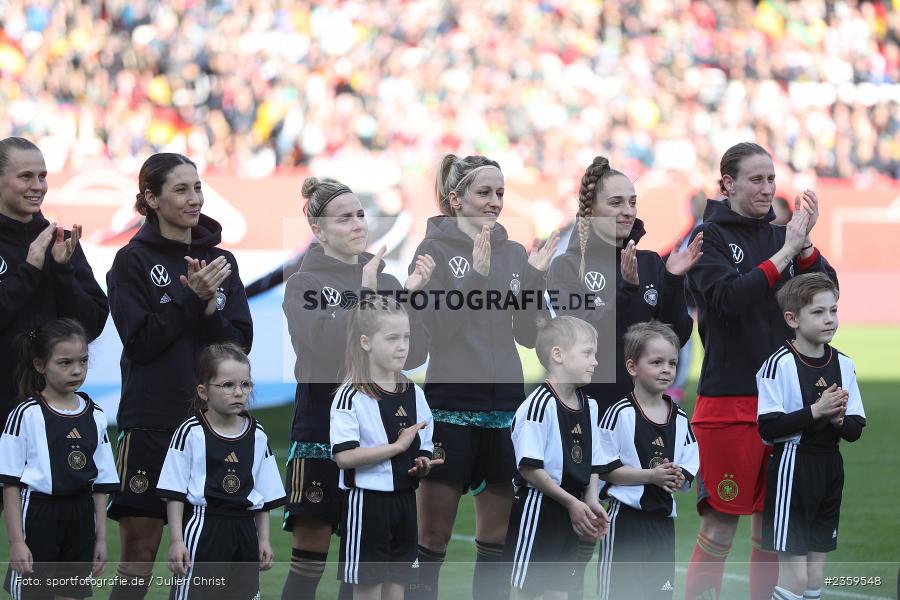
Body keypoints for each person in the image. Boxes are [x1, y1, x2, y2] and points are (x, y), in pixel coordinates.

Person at [683, 142, 837, 600]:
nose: (767, 188)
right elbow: (728, 299)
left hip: (787, 403)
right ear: (728, 183)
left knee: (772, 531)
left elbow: (825, 293)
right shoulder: (707, 237)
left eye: (771, 179)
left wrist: (804, 247)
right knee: (719, 527)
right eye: (756, 179)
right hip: (729, 401)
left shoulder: (779, 237)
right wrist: (785, 252)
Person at [546, 156, 700, 597]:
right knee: (574, 540)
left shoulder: (652, 262)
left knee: (630, 539)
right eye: (615, 202)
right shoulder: (568, 267)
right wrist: (626, 290)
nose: (627, 210)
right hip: (586, 415)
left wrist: (672, 282)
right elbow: (583, 338)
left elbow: (673, 337)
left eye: (632, 201)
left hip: (637, 422)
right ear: (591, 209)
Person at [408, 154, 559, 600]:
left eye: (500, 193)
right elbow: (437, 333)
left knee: (496, 542)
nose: (495, 201)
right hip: (451, 409)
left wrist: (534, 279)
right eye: (484, 192)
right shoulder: (432, 252)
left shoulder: (513, 253)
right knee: (433, 539)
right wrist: (474, 277)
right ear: (455, 199)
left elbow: (527, 335)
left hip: (505, 410)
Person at [106, 153, 253, 600]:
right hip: (152, 423)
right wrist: (191, 299)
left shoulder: (221, 261)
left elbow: (239, 345)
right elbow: (140, 342)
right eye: (181, 189)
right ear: (151, 198)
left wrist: (209, 308)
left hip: (212, 429)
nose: (195, 199)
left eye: (198, 187)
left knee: (202, 556)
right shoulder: (130, 261)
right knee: (139, 555)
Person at [281, 177, 433, 599]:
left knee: (364, 566)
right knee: (308, 562)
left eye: (361, 215)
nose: (358, 224)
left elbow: (415, 354)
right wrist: (365, 293)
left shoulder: (387, 281)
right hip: (319, 430)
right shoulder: (303, 284)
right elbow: (329, 348)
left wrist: (409, 298)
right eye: (344, 218)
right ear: (318, 230)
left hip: (377, 440)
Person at [756, 274, 865, 600]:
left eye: (833, 310)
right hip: (793, 467)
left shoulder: (844, 363)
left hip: (830, 468)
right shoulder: (778, 364)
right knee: (796, 577)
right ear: (793, 319)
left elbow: (855, 429)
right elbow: (768, 429)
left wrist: (839, 419)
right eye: (818, 312)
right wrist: (816, 411)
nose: (829, 319)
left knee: (815, 576)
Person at [330, 297, 441, 600]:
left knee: (397, 590)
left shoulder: (414, 392)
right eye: (392, 338)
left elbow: (425, 446)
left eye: (406, 337)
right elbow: (344, 456)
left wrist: (423, 463)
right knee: (368, 590)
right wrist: (397, 447)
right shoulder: (350, 394)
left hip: (405, 501)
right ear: (366, 342)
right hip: (367, 503)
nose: (402, 346)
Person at [0, 137, 108, 444]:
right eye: (26, 176)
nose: (38, 186)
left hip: (54, 416)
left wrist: (62, 272)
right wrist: (29, 272)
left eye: (42, 176)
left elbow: (92, 324)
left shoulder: (60, 241)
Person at [0, 319, 118, 600]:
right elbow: (10, 484)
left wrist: (101, 538)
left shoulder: (95, 415)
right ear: (40, 365)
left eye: (83, 361)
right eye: (65, 363)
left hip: (81, 517)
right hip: (39, 515)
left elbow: (101, 485)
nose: (77, 370)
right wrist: (17, 542)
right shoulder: (25, 414)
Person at [158, 343, 286, 600]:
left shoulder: (257, 435)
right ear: (203, 391)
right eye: (227, 385)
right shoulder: (190, 432)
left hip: (245, 531)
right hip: (205, 527)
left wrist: (263, 539)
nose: (239, 392)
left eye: (245, 384)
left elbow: (262, 496)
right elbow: (174, 493)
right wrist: (177, 541)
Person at [504, 316, 608, 599]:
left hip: (572, 509)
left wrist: (590, 499)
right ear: (558, 355)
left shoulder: (590, 405)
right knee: (532, 591)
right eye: (587, 353)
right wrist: (572, 502)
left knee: (561, 592)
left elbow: (594, 461)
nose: (595, 361)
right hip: (540, 508)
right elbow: (529, 468)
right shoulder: (539, 406)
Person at [595, 321, 699, 600]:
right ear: (632, 367)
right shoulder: (619, 414)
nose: (666, 369)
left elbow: (689, 463)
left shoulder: (680, 417)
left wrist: (678, 476)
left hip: (663, 522)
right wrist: (651, 476)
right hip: (626, 522)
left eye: (672, 363)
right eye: (656, 362)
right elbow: (604, 469)